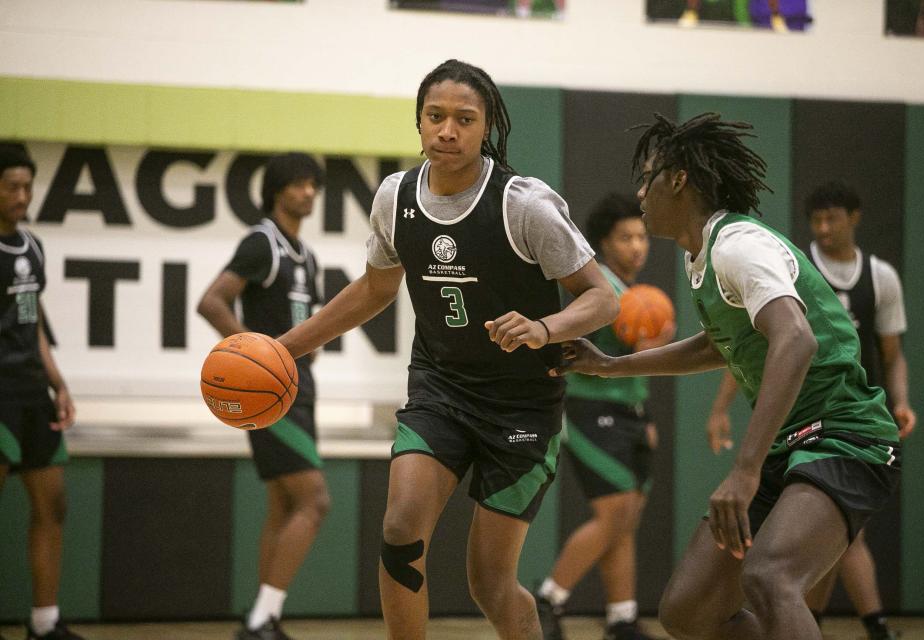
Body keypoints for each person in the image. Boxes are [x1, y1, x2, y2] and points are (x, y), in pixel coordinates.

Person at [275, 59, 618, 640]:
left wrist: (545, 326)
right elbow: (374, 289)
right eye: (435, 117)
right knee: (401, 528)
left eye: (464, 119)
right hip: (442, 392)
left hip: (521, 409)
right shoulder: (396, 197)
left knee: (488, 583)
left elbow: (603, 298)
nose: (447, 131)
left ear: (487, 127)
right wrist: (283, 349)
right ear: (419, 122)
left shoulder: (524, 205)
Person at [552, 113, 901, 640]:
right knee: (687, 611)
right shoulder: (704, 256)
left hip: (846, 434)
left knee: (770, 577)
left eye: (648, 177)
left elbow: (796, 339)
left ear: (679, 179)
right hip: (792, 443)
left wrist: (744, 469)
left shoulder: (739, 244)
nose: (640, 192)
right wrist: (610, 365)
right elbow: (718, 345)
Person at [705, 181, 916, 640]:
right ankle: (836, 625)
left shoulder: (880, 277)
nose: (822, 228)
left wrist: (900, 401)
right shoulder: (790, 265)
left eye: (832, 219)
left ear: (853, 218)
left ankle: (866, 624)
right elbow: (747, 347)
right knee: (815, 551)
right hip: (797, 422)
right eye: (815, 220)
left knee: (816, 550)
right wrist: (721, 408)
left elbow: (892, 354)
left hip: (850, 420)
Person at [197, 152, 330, 640]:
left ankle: (262, 619)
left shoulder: (307, 256)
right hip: (272, 392)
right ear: (276, 190)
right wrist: (254, 357)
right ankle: (261, 619)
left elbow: (305, 326)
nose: (308, 192)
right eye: (298, 184)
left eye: (313, 185)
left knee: (284, 505)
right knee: (315, 502)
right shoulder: (261, 243)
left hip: (301, 389)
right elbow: (211, 301)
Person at [535, 193, 674, 640]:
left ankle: (622, 618)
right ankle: (548, 597)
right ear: (602, 243)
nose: (637, 245)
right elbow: (572, 353)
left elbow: (636, 366)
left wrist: (645, 412)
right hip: (590, 409)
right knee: (614, 514)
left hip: (630, 412)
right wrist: (643, 354)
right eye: (625, 237)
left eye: (642, 236)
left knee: (626, 518)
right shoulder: (596, 290)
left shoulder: (636, 295)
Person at [0, 144, 83, 640]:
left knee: (53, 506)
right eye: (11, 186)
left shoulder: (32, 246)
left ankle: (44, 623)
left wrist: (59, 384)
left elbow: (33, 327)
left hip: (33, 392)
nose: (22, 195)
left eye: (28, 186)